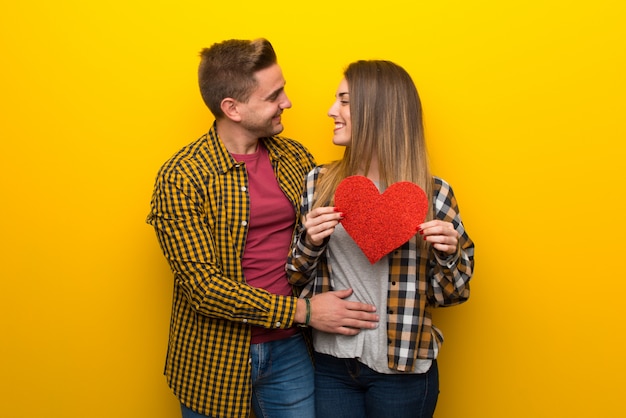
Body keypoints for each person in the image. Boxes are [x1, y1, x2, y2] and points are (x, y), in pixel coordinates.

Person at [146, 39, 379, 418]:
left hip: (291, 352)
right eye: (274, 96)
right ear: (232, 108)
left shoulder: (296, 158)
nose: (287, 102)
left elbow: (330, 240)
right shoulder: (182, 177)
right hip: (212, 358)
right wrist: (303, 312)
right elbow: (203, 288)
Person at [286, 60, 475, 418]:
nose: (331, 111)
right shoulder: (319, 183)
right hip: (332, 367)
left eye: (344, 101)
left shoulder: (433, 194)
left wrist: (448, 255)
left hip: (402, 371)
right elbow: (295, 278)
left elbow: (452, 296)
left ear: (377, 112)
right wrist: (309, 242)